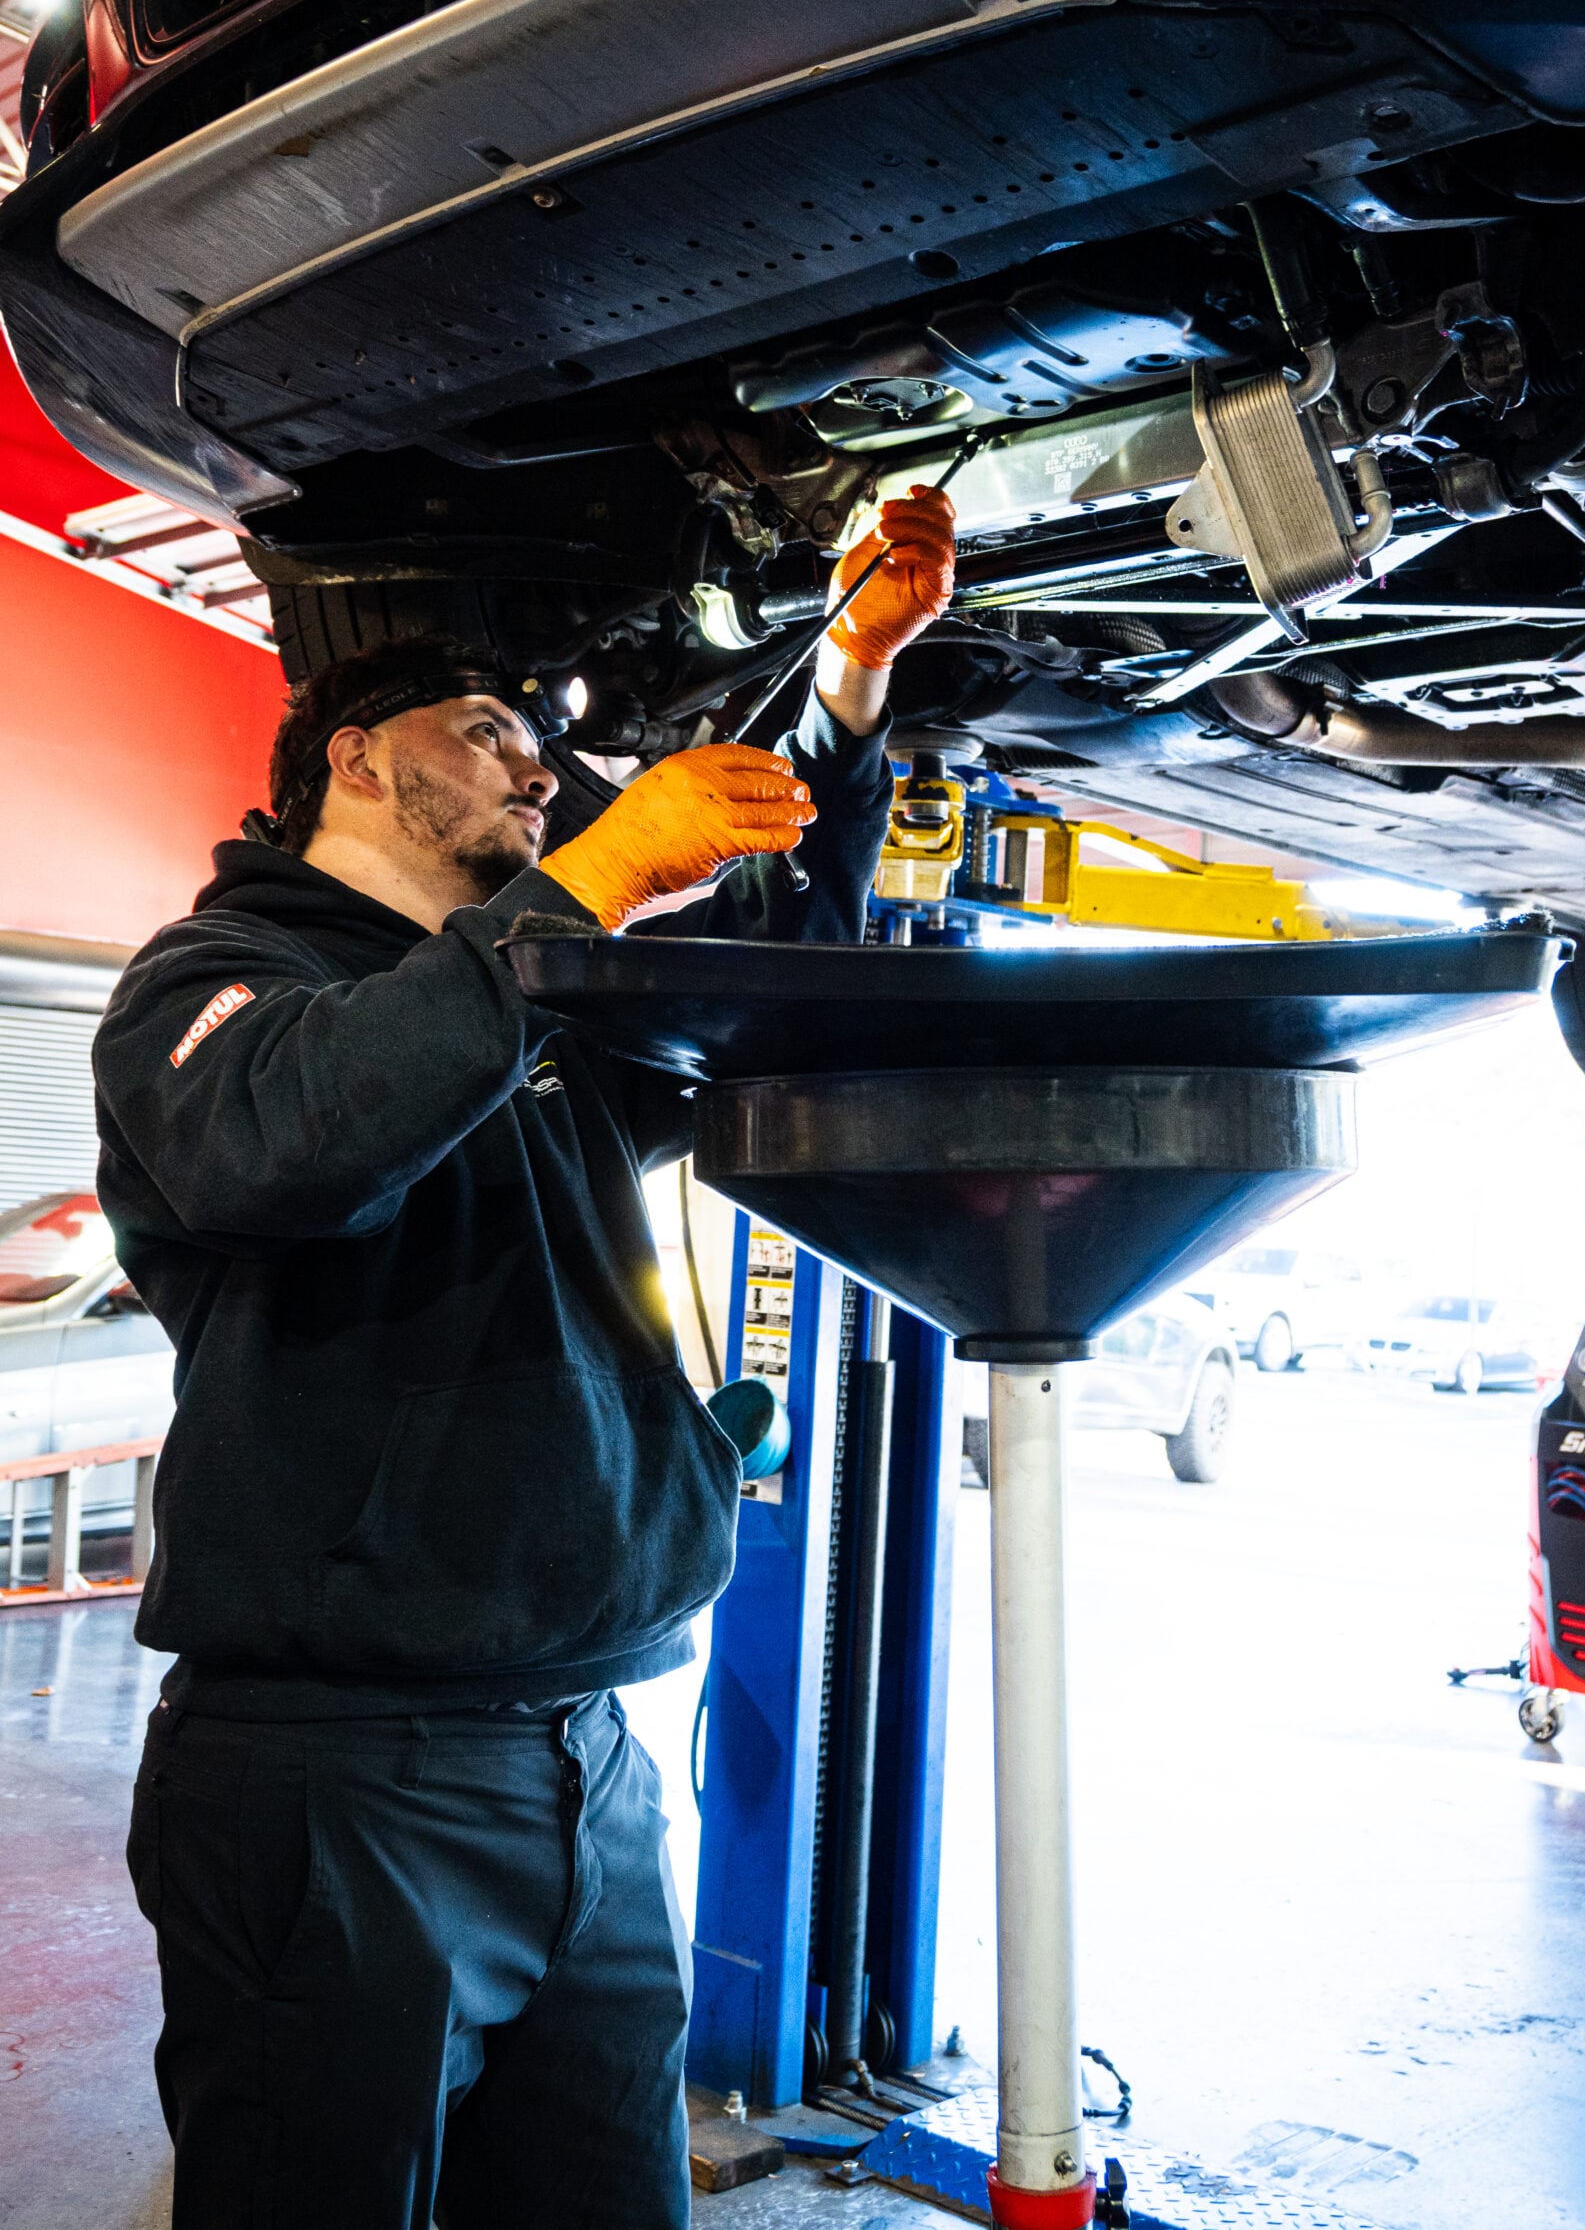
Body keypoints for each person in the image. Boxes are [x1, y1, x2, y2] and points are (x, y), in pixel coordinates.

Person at [94, 488, 955, 2230]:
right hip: (340, 1779)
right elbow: (296, 1144)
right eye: (486, 733)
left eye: (540, 751)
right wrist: (594, 878)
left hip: (588, 1757)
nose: (536, 769)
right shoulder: (219, 977)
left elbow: (775, 1002)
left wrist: (850, 684)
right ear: (352, 759)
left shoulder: (532, 1013)